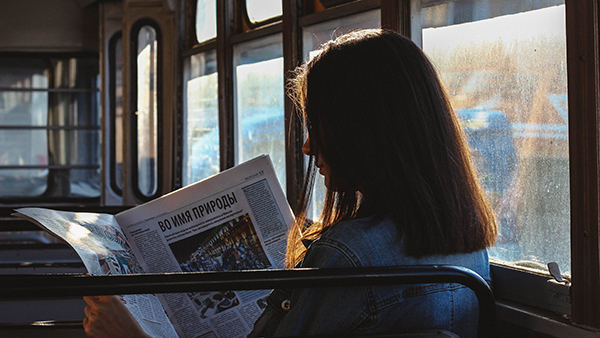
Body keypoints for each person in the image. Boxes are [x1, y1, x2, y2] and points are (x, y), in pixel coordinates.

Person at [82, 29, 497, 338]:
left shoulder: (347, 258)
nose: (307, 146)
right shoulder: (468, 248)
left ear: (364, 134)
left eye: (318, 126)